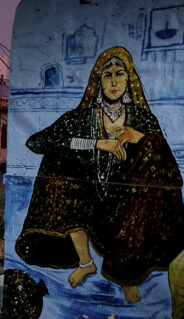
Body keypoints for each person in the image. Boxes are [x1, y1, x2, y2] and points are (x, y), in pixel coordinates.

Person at [15, 46, 184, 304]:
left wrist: (143, 141)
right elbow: (37, 142)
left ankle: (127, 276)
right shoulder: (82, 118)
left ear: (129, 81)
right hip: (87, 201)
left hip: (127, 205)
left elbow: (170, 171)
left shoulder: (142, 118)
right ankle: (86, 262)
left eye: (120, 74)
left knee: (150, 162)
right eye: (108, 75)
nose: (114, 81)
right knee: (57, 161)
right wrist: (95, 143)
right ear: (98, 81)